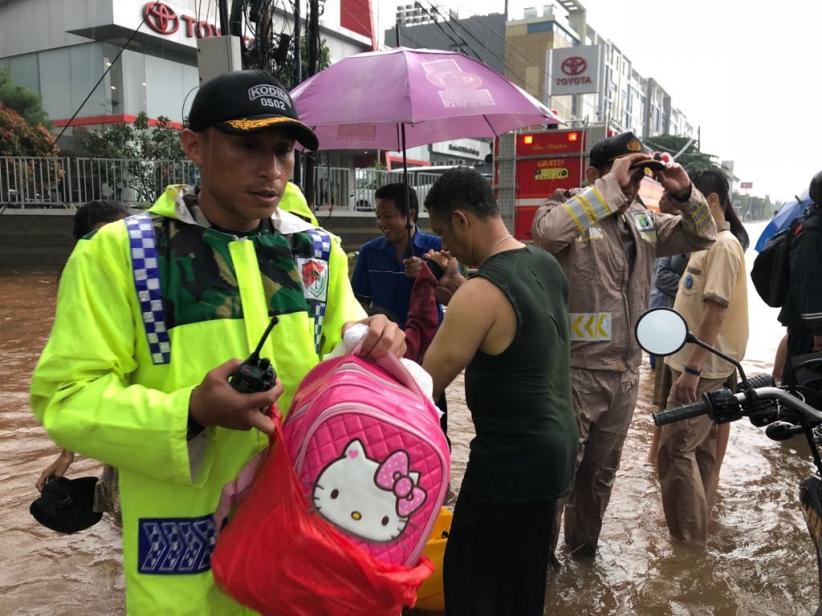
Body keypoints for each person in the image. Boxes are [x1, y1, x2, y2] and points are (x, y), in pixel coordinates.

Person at [29, 70, 404, 614]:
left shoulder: (317, 254)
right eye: (247, 145)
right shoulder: (120, 255)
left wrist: (374, 340)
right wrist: (190, 412)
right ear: (194, 146)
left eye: (283, 151)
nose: (270, 169)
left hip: (302, 548)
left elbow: (346, 365)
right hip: (184, 570)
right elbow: (65, 399)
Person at [531, 131, 716, 557]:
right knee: (557, 477)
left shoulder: (643, 220)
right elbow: (544, 236)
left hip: (625, 375)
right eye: (627, 172)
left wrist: (685, 192)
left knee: (599, 478)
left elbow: (704, 235)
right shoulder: (568, 208)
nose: (635, 183)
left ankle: (582, 558)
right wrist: (609, 186)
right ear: (596, 173)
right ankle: (537, 567)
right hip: (573, 372)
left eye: (640, 174)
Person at [422, 168, 577, 615]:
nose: (444, 246)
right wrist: (466, 291)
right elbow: (522, 339)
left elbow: (425, 384)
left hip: (508, 464)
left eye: (443, 232)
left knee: (471, 584)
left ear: (462, 219)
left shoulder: (480, 293)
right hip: (556, 451)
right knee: (523, 582)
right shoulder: (545, 263)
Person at [656, 169, 749, 543]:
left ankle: (688, 546)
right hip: (696, 362)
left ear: (712, 201)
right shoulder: (706, 242)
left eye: (689, 201)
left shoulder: (723, 246)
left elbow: (715, 312)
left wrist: (691, 371)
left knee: (676, 451)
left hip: (702, 366)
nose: (683, 212)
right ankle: (700, 529)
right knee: (701, 451)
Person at [36, 200, 131, 521]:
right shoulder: (84, 275)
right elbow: (75, 370)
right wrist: (67, 452)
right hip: (127, 415)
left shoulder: (145, 268)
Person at [351, 183, 443, 329]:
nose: (381, 223)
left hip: (430, 341)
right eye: (378, 217)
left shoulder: (437, 248)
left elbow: (454, 296)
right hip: (385, 342)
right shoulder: (368, 252)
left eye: (387, 216)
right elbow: (359, 303)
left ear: (411, 215)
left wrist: (427, 275)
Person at [779, 170, 822, 387]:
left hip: (811, 324)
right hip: (808, 328)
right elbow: (807, 284)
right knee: (802, 385)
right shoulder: (811, 231)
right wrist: (818, 331)